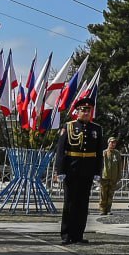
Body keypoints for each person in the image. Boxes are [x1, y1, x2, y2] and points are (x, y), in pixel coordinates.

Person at [55, 101, 105, 244]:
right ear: (77, 111)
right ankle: (66, 234)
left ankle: (78, 235)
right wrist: (60, 169)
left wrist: (97, 171)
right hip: (71, 169)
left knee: (83, 204)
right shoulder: (69, 126)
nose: (86, 113)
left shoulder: (96, 129)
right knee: (69, 203)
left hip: (87, 171)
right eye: (83, 111)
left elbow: (98, 152)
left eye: (88, 111)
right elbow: (60, 150)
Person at [98, 137, 124, 215]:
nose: (113, 144)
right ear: (108, 143)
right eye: (112, 142)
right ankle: (102, 209)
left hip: (113, 177)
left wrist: (119, 176)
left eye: (114, 143)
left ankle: (108, 209)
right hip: (104, 177)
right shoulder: (104, 153)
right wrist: (99, 175)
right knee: (103, 194)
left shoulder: (117, 153)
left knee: (110, 194)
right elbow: (100, 165)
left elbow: (120, 165)